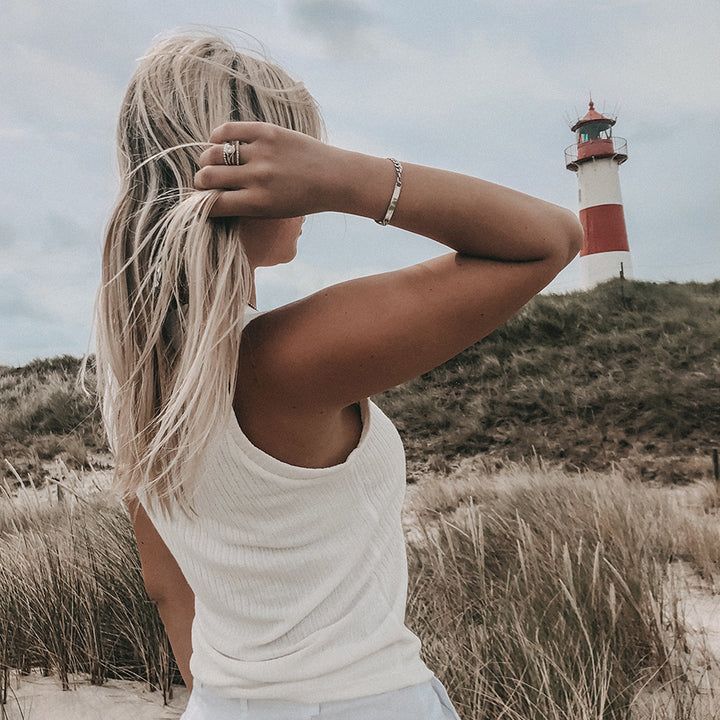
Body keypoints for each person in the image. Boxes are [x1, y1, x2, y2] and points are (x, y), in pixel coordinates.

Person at [86, 28, 583, 720]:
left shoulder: (133, 378)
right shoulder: (281, 360)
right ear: (250, 181)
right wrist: (347, 178)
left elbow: (167, 584)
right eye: (297, 159)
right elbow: (551, 239)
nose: (309, 196)